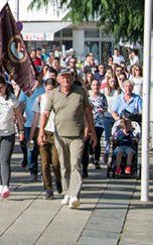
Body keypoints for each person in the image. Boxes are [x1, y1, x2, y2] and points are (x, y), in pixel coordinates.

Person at [38, 69, 97, 209]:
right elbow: (45, 114)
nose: (66, 80)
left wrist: (92, 132)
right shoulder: (53, 94)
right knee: (64, 166)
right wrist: (41, 131)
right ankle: (67, 193)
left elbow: (88, 112)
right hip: (60, 135)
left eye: (68, 77)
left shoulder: (80, 92)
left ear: (72, 78)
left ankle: (74, 195)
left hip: (77, 135)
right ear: (58, 79)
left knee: (75, 164)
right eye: (63, 78)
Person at [35, 78, 62, 199]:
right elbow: (37, 116)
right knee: (45, 162)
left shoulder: (59, 98)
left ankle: (58, 179)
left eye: (52, 89)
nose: (49, 91)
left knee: (56, 162)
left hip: (56, 132)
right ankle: (48, 188)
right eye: (47, 89)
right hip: (44, 131)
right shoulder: (40, 99)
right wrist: (35, 133)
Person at [84, 79, 107, 173]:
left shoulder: (102, 96)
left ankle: (97, 160)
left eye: (97, 85)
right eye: (94, 85)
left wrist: (103, 110)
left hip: (99, 122)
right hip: (89, 121)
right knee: (88, 139)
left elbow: (106, 107)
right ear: (91, 86)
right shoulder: (87, 96)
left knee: (96, 139)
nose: (96, 87)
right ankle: (90, 156)